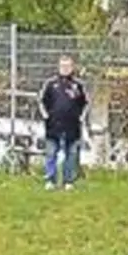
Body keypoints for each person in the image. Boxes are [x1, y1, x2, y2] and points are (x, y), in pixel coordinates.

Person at [39, 54, 89, 191]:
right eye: (63, 66)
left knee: (71, 154)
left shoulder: (78, 86)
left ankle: (68, 181)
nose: (65, 69)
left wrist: (81, 118)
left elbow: (85, 104)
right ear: (58, 67)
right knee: (51, 153)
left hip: (72, 126)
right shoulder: (50, 84)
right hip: (53, 126)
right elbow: (42, 102)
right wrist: (46, 116)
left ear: (72, 68)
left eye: (68, 66)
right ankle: (50, 180)